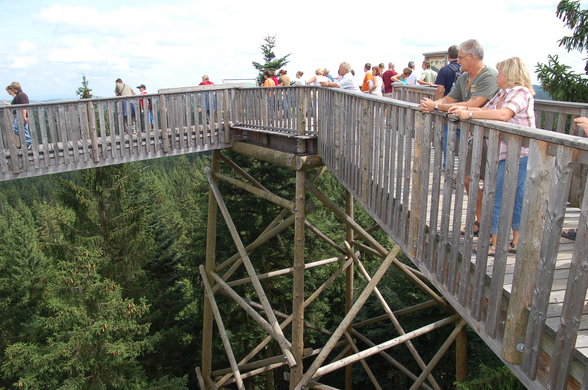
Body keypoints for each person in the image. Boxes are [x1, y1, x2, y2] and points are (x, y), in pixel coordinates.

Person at [449, 57, 535, 255]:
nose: (498, 76)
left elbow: (504, 115)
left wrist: (469, 115)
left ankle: (497, 244)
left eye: (501, 73)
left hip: (519, 154)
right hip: (508, 154)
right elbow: (485, 110)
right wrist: (464, 108)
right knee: (514, 197)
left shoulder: (519, 92)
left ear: (511, 75)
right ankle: (514, 241)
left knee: (500, 196)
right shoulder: (504, 93)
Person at [419, 39, 499, 235]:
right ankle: (481, 222)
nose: (457, 61)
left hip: (494, 139)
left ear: (472, 57)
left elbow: (474, 104)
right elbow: (449, 99)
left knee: (488, 183)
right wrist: (432, 103)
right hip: (475, 137)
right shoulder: (464, 77)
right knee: (468, 179)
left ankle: (491, 225)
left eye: (461, 58)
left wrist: (436, 106)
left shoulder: (489, 77)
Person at [2, 82, 32, 148]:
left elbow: (24, 107)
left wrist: (24, 116)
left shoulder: (21, 95)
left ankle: (29, 142)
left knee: (16, 128)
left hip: (21, 115)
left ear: (15, 89)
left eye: (12, 89)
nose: (11, 91)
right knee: (23, 130)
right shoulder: (20, 95)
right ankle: (27, 143)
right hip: (20, 115)